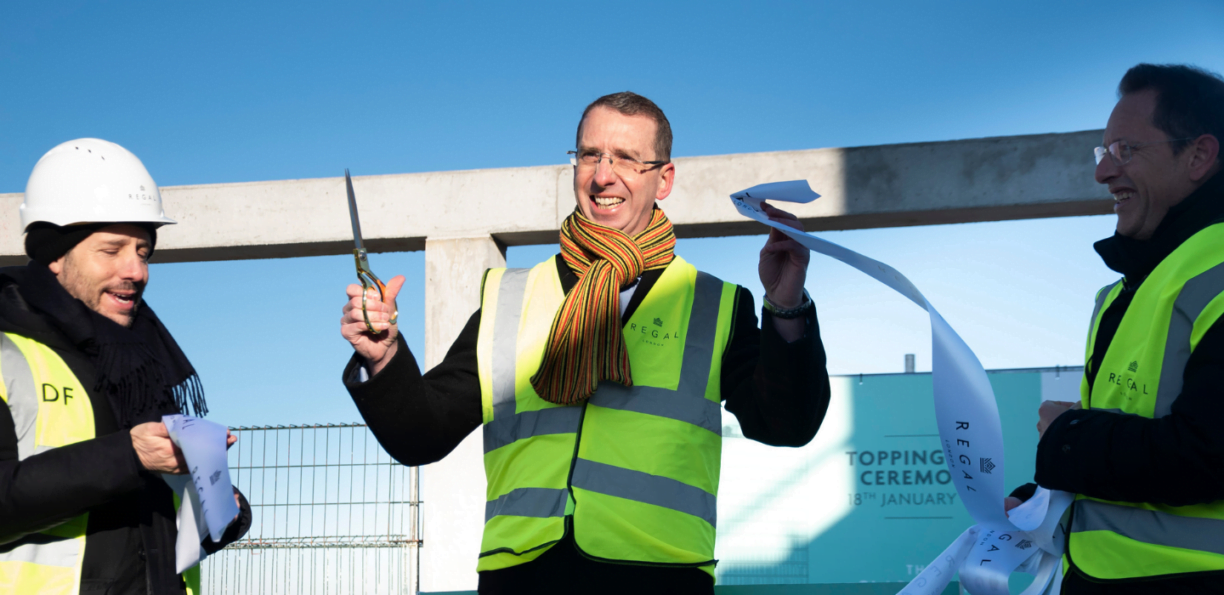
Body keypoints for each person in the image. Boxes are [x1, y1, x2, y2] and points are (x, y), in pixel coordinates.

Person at [340, 92, 831, 593]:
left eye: (626, 159)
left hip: (660, 577)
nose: (602, 176)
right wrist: (384, 358)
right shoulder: (511, 296)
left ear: (664, 179)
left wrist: (786, 304)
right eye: (590, 155)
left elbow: (786, 424)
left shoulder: (715, 303)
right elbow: (422, 433)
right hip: (522, 576)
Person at [1005, 64, 1224, 593]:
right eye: (1103, 153)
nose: (1103, 173)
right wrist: (1046, 498)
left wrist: (1066, 440)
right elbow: (1138, 439)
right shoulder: (1133, 289)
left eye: (1125, 150)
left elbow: (1208, 452)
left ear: (1198, 155)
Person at [0, 138, 252, 595]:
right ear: (55, 255)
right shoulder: (6, 351)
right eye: (112, 250)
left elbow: (145, 533)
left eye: (143, 251)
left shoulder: (145, 361)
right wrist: (127, 456)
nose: (136, 271)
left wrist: (218, 504)